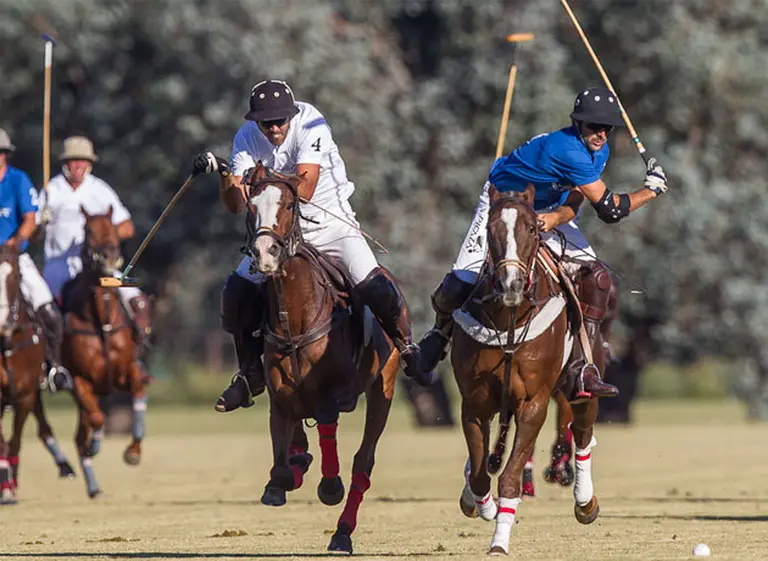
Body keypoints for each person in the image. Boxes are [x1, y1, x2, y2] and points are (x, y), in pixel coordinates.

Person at [192, 79, 435, 412]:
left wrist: (258, 180)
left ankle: (407, 349)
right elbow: (236, 204)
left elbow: (305, 187)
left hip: (331, 226)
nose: (275, 127)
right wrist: (224, 174)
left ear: (291, 115)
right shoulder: (246, 138)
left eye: (280, 120)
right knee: (235, 293)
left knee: (375, 285)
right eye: (267, 122)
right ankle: (250, 374)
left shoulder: (310, 122)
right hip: (276, 234)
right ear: (255, 120)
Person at [418, 86, 669, 402]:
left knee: (598, 280)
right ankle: (436, 338)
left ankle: (584, 367)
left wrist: (554, 220)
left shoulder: (599, 150)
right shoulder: (567, 150)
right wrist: (651, 191)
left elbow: (576, 201)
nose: (601, 133)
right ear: (577, 123)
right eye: (594, 126)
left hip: (545, 208)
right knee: (461, 281)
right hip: (502, 202)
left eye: (607, 127)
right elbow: (610, 210)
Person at [39, 136, 153, 350]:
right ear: (65, 163)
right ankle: (54, 359)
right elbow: (34, 233)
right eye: (74, 161)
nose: (79, 166)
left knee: (135, 296)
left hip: (100, 270)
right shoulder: (51, 190)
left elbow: (127, 226)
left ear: (90, 164)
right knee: (49, 310)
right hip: (59, 267)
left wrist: (104, 235)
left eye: (84, 161)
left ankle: (136, 354)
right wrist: (41, 222)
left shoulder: (100, 189)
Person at [0, 128, 72, 392]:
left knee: (50, 313)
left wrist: (14, 243)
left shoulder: (18, 181)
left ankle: (54, 368)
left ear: (6, 155)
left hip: (16, 257)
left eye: (1, 153)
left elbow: (30, 220)